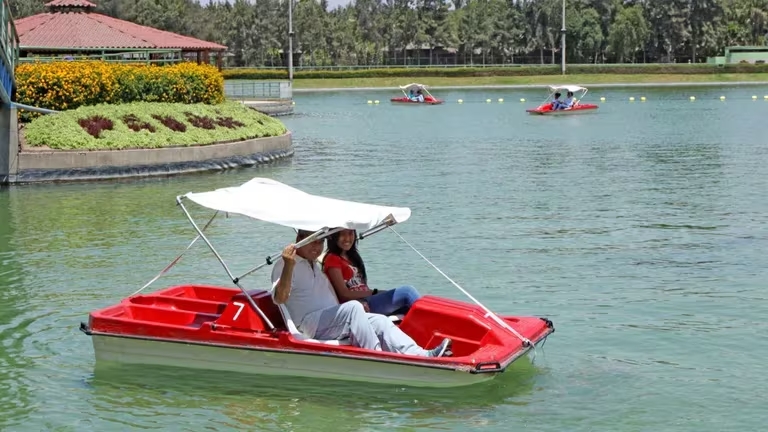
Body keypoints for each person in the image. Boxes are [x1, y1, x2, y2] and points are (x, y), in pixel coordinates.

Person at [271, 230, 452, 357]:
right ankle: (376, 356)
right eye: (312, 241)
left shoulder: (313, 264)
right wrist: (289, 265)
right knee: (353, 309)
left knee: (379, 320)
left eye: (320, 242)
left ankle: (423, 355)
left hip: (331, 319)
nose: (317, 247)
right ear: (299, 239)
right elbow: (280, 298)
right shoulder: (286, 264)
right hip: (310, 325)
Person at [322, 229, 420, 316]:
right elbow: (344, 294)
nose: (347, 238)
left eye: (350, 233)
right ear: (334, 236)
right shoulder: (332, 259)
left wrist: (375, 294)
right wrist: (374, 292)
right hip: (358, 305)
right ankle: (433, 321)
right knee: (407, 292)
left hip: (367, 300)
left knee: (408, 308)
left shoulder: (352, 257)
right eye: (342, 234)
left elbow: (361, 286)